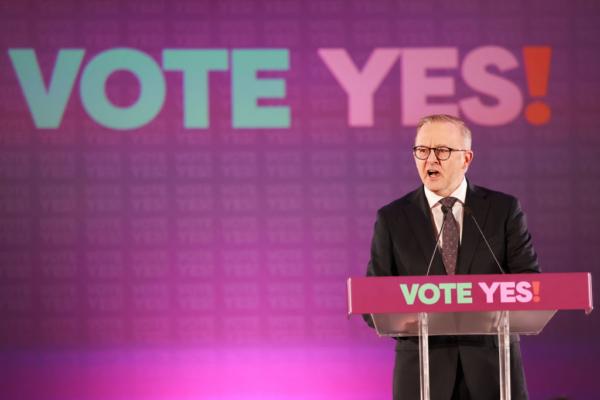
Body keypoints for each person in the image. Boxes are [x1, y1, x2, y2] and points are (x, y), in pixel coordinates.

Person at [365, 114, 540, 400]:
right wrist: (402, 320)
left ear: (466, 159)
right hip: (423, 373)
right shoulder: (393, 218)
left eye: (442, 151)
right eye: (422, 150)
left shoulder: (502, 210)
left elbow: (530, 283)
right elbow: (372, 299)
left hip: (492, 371)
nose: (430, 160)